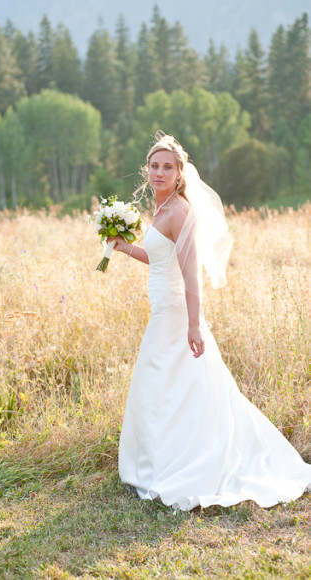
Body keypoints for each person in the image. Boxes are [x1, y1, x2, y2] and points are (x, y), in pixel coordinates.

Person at [108, 132, 311, 511]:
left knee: (185, 386)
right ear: (147, 169)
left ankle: (192, 462)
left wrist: (194, 324)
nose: (159, 172)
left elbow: (190, 274)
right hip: (160, 311)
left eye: (168, 167)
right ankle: (157, 462)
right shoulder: (161, 208)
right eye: (154, 166)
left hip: (177, 315)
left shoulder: (181, 210)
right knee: (159, 386)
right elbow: (160, 258)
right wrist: (125, 248)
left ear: (180, 172)